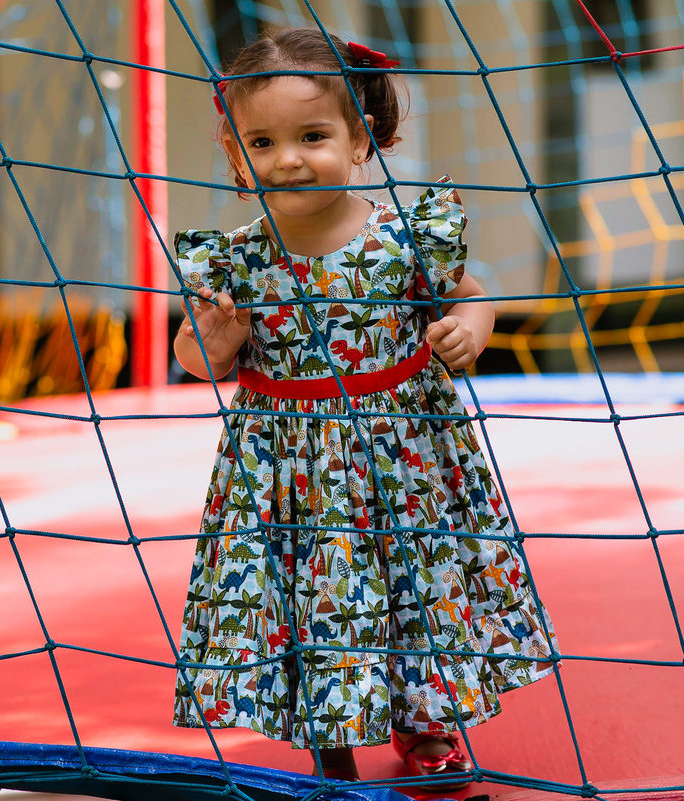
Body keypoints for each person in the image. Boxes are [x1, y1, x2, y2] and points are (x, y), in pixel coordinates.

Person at [170, 27, 558, 786]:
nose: (286, 157)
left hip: (402, 462)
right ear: (234, 152)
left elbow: (473, 299)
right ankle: (327, 738)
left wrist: (466, 332)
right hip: (288, 472)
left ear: (360, 141)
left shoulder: (402, 240)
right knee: (306, 596)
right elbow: (197, 355)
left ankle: (424, 723)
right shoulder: (234, 260)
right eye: (262, 140)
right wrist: (212, 341)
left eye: (312, 135)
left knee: (413, 588)